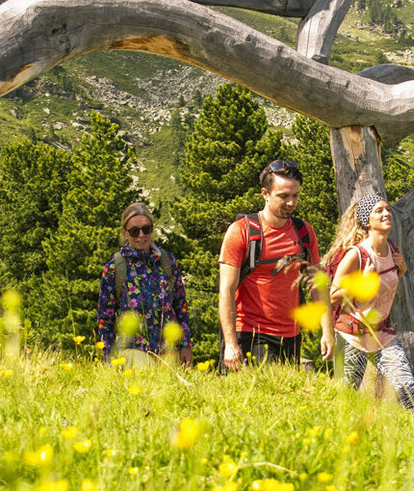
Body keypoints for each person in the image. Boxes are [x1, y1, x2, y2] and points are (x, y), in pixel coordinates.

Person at [217, 159, 326, 371]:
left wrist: (327, 331)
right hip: (250, 333)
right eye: (283, 196)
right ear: (265, 194)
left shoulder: (304, 232)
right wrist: (230, 344)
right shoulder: (241, 231)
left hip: (291, 335)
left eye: (295, 195)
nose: (291, 202)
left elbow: (317, 285)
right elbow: (226, 291)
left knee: (284, 400)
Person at [326, 194, 414, 409]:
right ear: (367, 221)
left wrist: (401, 270)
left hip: (382, 333)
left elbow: (383, 288)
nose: (386, 214)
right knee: (346, 397)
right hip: (352, 335)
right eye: (379, 211)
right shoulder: (356, 254)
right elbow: (332, 296)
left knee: (408, 389)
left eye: (387, 209)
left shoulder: (392, 250)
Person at [94, 202, 193, 366]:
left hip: (169, 351)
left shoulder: (167, 261)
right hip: (132, 350)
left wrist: (185, 345)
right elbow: (105, 317)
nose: (141, 235)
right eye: (134, 231)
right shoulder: (115, 267)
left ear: (152, 229)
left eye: (146, 229)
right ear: (125, 233)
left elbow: (180, 306)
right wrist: (109, 357)